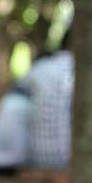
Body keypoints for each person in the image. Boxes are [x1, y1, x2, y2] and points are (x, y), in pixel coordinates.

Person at [20, 30, 74, 168]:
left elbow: (18, 93)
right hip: (69, 158)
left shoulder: (40, 68)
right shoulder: (80, 71)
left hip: (37, 156)